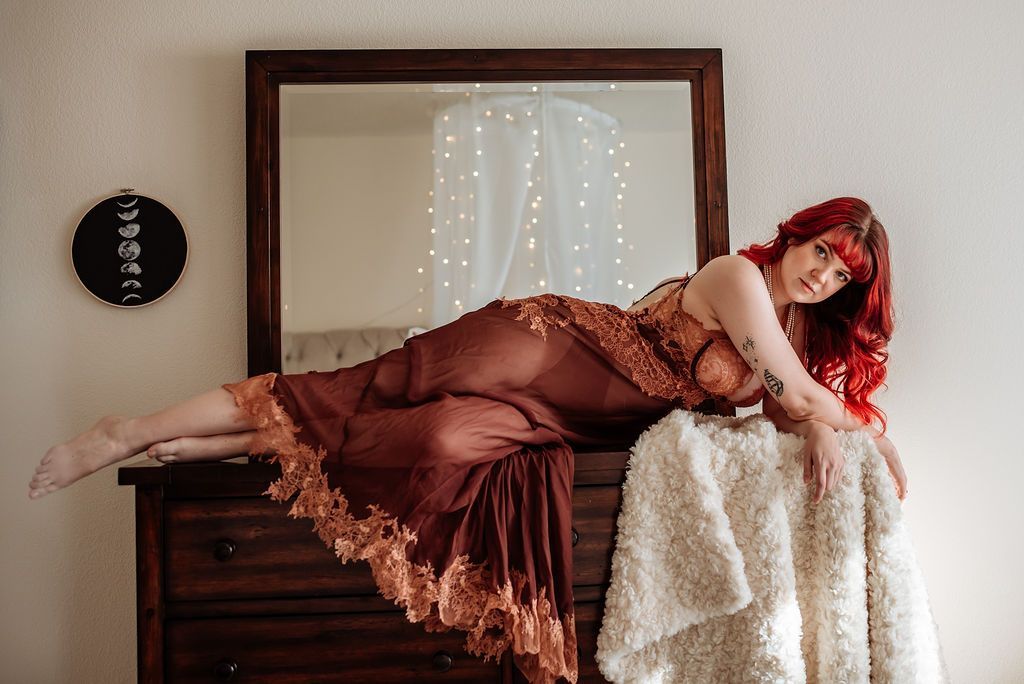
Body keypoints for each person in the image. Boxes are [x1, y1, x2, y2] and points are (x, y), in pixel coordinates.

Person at [28, 196, 907, 684]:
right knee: (356, 386)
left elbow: (792, 404)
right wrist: (867, 427)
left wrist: (828, 430)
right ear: (798, 231)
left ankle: (221, 448)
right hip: (547, 341)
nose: (824, 271)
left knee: (430, 440)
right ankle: (124, 430)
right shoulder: (740, 277)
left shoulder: (785, 329)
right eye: (824, 250)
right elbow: (794, 394)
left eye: (841, 274)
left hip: (562, 416)